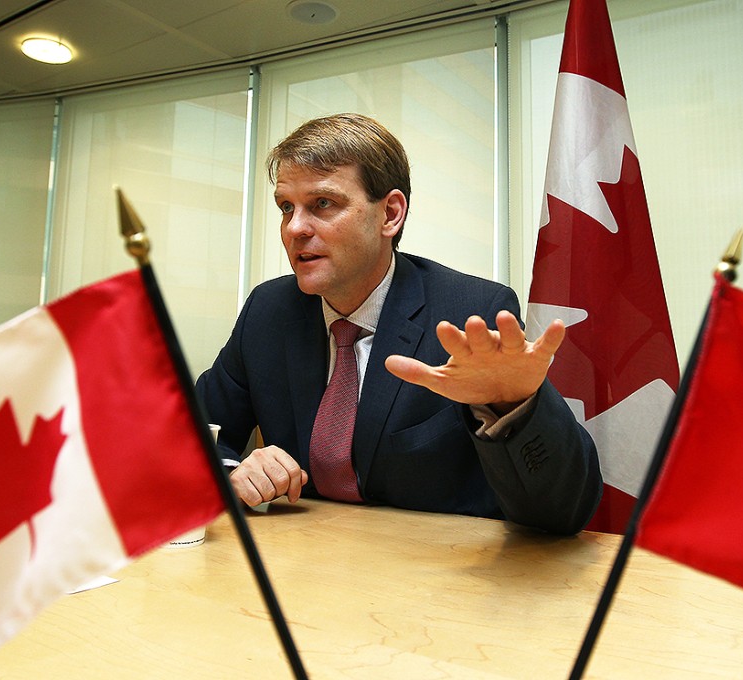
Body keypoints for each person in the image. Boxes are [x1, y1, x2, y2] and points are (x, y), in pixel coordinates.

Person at [195, 113, 601, 534]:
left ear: (390, 214)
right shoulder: (269, 310)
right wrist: (232, 470)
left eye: (323, 204)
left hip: (438, 574)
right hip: (304, 564)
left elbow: (564, 513)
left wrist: (512, 407)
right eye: (286, 207)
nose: (294, 228)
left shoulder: (470, 314)